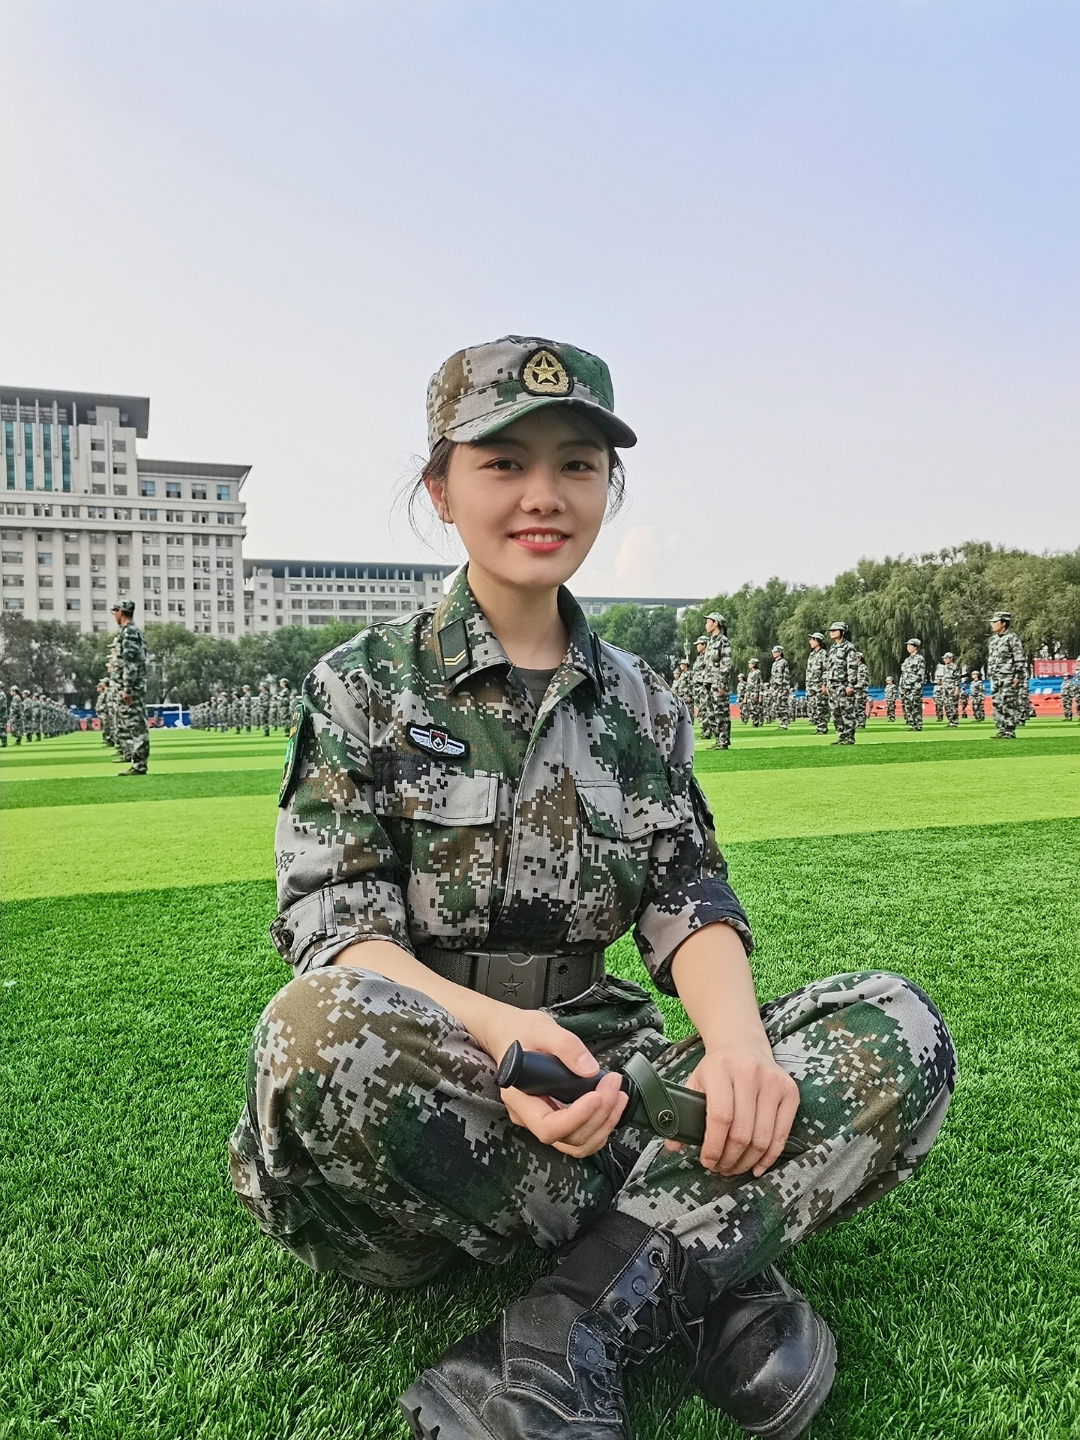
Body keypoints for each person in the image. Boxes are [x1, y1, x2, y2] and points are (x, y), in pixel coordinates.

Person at [227, 335, 955, 1440]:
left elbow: (687, 892)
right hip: (429, 1086)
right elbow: (339, 931)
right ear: (441, 490)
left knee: (897, 1024)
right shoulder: (362, 685)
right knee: (316, 1032)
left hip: (603, 1069)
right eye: (503, 463)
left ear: (608, 487)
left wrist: (739, 1050)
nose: (544, 495)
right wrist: (504, 1037)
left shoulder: (641, 702)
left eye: (577, 464)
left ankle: (565, 1327)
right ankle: (706, 1267)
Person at [111, 599, 150, 775]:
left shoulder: (129, 633)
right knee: (132, 724)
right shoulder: (131, 632)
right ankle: (136, 761)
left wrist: (127, 688)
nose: (114, 615)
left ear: (121, 612)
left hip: (132, 687)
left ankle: (139, 764)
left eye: (115, 611)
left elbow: (130, 663)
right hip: (133, 685)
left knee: (136, 725)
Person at [986, 611, 1026, 739]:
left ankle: (1009, 730)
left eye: (995, 622)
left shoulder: (1012, 638)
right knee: (997, 703)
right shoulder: (993, 640)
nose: (992, 624)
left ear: (1003, 623)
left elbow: (1019, 658)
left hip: (1008, 675)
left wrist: (1018, 676)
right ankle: (1001, 729)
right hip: (995, 676)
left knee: (1008, 703)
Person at [824, 622, 858, 744]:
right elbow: (829, 668)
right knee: (835, 712)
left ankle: (849, 736)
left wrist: (851, 684)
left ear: (842, 632)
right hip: (832, 685)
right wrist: (826, 684)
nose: (831, 632)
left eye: (835, 630)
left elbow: (852, 667)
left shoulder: (848, 647)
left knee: (846, 711)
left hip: (843, 684)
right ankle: (841, 735)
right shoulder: (833, 648)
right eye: (831, 630)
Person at [704, 613, 733, 749]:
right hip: (709, 682)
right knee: (711, 713)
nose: (706, 625)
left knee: (721, 712)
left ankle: (723, 740)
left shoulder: (723, 641)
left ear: (715, 623)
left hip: (718, 682)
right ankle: (717, 739)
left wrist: (722, 683)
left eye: (708, 621)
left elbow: (726, 663)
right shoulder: (711, 642)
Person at [900, 640, 926, 731]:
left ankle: (918, 725)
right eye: (907, 646)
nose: (908, 648)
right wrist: (902, 685)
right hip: (907, 687)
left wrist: (911, 683)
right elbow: (904, 674)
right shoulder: (907, 660)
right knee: (908, 706)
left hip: (915, 686)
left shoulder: (920, 659)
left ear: (915, 647)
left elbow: (920, 674)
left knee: (916, 706)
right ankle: (913, 724)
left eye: (910, 646)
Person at [805, 632, 828, 733]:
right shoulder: (812, 654)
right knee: (813, 706)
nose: (810, 642)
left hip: (819, 685)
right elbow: (808, 671)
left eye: (812, 639)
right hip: (811, 685)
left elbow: (826, 670)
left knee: (821, 706)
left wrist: (824, 684)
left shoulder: (823, 653)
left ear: (818, 641)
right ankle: (818, 726)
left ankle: (822, 727)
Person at [769, 646, 790, 730]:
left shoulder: (783, 662)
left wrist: (785, 688)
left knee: (782, 705)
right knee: (777, 706)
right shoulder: (774, 664)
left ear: (780, 652)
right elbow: (772, 676)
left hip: (781, 687)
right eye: (773, 652)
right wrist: (771, 686)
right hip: (775, 688)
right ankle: (781, 722)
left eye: (775, 652)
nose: (773, 653)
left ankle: (784, 723)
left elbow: (786, 676)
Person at [939, 654, 959, 728]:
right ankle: (950, 720)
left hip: (952, 688)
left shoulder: (954, 667)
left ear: (951, 658)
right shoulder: (944, 667)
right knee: (946, 705)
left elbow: (957, 679)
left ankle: (954, 721)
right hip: (945, 688)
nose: (944, 660)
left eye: (946, 658)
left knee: (952, 705)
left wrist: (956, 689)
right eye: (944, 658)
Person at [744, 657, 764, 726]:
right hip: (750, 692)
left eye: (750, 663)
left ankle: (756, 721)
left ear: (754, 664)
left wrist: (758, 694)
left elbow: (759, 683)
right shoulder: (750, 673)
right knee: (751, 708)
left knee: (754, 707)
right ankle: (755, 721)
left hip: (754, 692)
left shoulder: (757, 672)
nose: (749, 664)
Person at [853, 651, 869, 729]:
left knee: (860, 707)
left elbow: (864, 680)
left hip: (861, 690)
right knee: (855, 707)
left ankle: (861, 723)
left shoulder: (863, 667)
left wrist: (856, 686)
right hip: (855, 690)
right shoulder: (854, 667)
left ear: (859, 658)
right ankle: (856, 722)